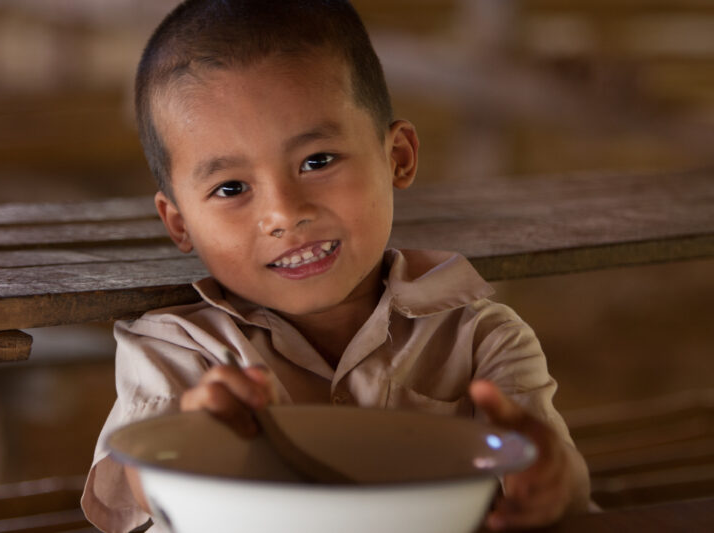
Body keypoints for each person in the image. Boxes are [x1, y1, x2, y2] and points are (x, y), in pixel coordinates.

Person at [82, 1, 591, 531]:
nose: (284, 213)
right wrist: (191, 443)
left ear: (398, 156)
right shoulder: (179, 348)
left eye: (317, 161)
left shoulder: (481, 340)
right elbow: (137, 483)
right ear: (180, 222)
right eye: (231, 188)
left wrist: (552, 484)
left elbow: (559, 481)